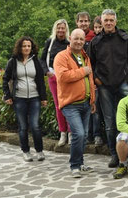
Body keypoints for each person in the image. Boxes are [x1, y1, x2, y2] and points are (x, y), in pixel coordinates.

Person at [88, 9, 128, 168]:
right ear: (101, 22)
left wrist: (127, 79)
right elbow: (90, 64)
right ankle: (114, 155)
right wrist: (96, 80)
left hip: (123, 85)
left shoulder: (125, 39)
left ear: (115, 21)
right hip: (104, 87)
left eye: (111, 20)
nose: (109, 23)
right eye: (106, 20)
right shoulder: (95, 42)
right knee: (110, 122)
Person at [54, 29, 97, 178]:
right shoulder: (61, 56)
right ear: (70, 39)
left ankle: (81, 163)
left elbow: (89, 80)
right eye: (76, 38)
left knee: (83, 135)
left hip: (85, 103)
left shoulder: (85, 56)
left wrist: (92, 99)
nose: (79, 42)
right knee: (78, 133)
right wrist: (83, 71)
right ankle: (74, 166)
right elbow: (63, 76)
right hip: (70, 104)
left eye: (81, 39)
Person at [2, 36, 48, 162]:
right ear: (19, 48)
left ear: (32, 47)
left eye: (29, 46)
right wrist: (7, 96)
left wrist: (43, 98)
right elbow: (5, 79)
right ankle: (26, 151)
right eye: (24, 46)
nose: (27, 48)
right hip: (19, 99)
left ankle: (39, 151)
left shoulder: (35, 61)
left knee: (35, 126)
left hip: (34, 97)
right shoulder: (13, 61)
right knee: (23, 127)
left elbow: (40, 81)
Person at [40, 19, 71, 146]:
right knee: (59, 106)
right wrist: (47, 72)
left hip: (67, 77)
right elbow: (42, 60)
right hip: (53, 76)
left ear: (66, 29)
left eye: (63, 28)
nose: (60, 30)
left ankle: (71, 133)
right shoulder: (50, 42)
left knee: (69, 104)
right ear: (55, 29)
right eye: (58, 28)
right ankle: (62, 133)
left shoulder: (70, 42)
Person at [76, 11, 102, 146]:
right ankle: (86, 135)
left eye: (86, 21)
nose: (83, 23)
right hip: (79, 79)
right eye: (81, 21)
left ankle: (96, 134)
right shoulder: (74, 38)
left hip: (93, 78)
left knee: (94, 108)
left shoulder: (94, 37)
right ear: (77, 23)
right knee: (83, 109)